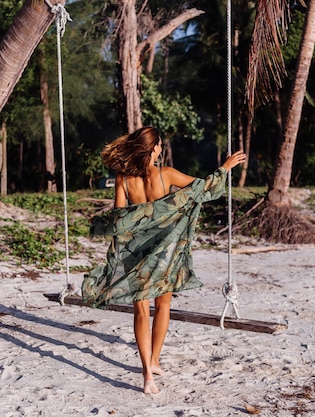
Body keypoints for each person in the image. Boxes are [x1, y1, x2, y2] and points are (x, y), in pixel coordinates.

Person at [81, 126, 246, 394]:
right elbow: (201, 189)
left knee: (141, 310)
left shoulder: (123, 178)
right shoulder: (166, 173)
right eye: (159, 145)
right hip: (164, 251)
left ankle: (148, 372)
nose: (160, 149)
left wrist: (125, 239)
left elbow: (120, 217)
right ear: (155, 148)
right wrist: (225, 167)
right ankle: (155, 360)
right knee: (163, 305)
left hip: (134, 250)